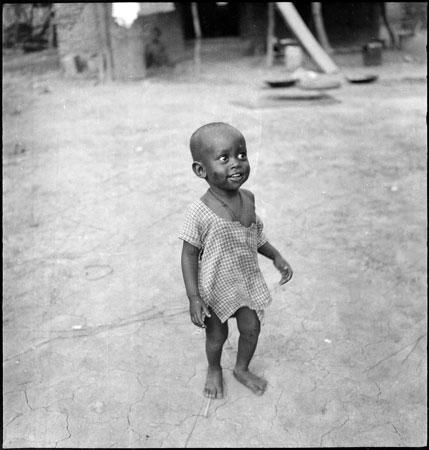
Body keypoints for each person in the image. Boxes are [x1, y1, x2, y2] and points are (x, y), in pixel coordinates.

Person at [180, 122, 293, 399]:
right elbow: (188, 254)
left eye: (241, 155)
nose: (236, 164)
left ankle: (241, 368)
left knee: (251, 328)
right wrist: (194, 297)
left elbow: (255, 235)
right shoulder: (199, 211)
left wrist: (275, 256)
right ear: (200, 170)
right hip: (215, 288)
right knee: (217, 337)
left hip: (245, 283)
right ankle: (214, 368)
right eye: (224, 158)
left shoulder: (248, 199)